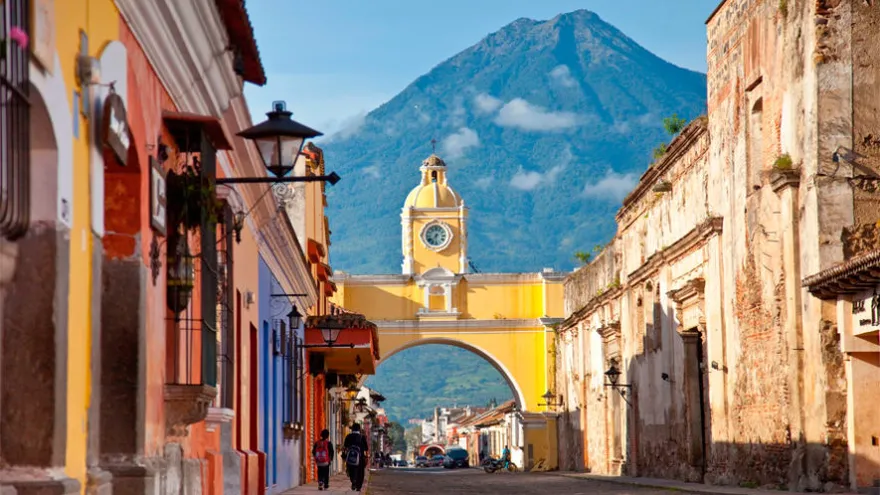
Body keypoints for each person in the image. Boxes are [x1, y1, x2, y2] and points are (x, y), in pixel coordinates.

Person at [342, 423, 369, 492]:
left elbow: (345, 447)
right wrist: (366, 456)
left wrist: (344, 455)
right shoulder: (362, 437)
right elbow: (366, 448)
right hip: (360, 457)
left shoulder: (348, 436)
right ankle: (358, 486)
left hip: (350, 456)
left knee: (351, 470)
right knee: (360, 472)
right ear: (359, 429)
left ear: (352, 429)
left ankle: (353, 481)